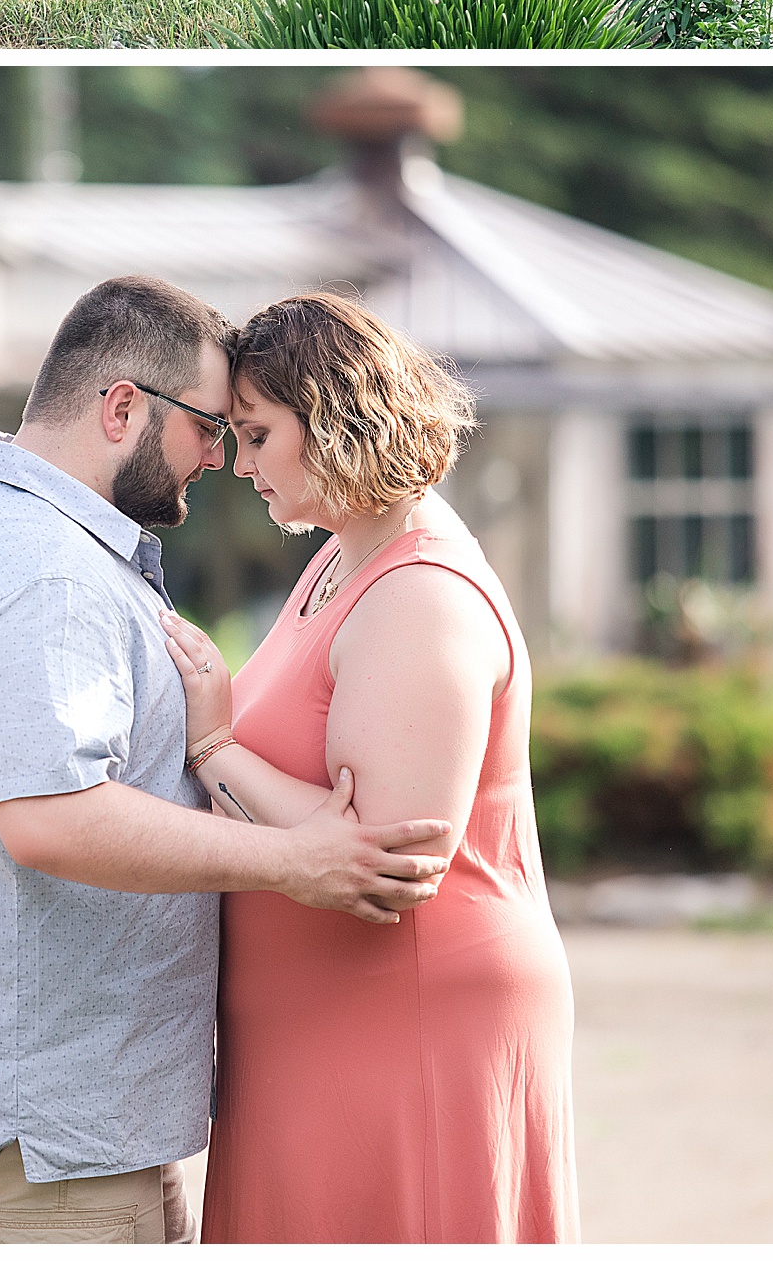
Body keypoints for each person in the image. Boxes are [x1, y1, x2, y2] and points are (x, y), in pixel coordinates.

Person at [0, 274, 452, 1245]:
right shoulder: (45, 571)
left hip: (50, 1131)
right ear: (123, 406)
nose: (219, 457)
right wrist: (295, 861)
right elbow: (52, 816)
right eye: (210, 427)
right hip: (54, 1143)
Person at [161, 291, 579, 1244]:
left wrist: (214, 745)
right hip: (323, 1026)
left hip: (413, 1021)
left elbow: (387, 861)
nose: (238, 462)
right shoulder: (342, 556)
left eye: (258, 435)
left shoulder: (421, 592)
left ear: (336, 418)